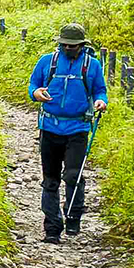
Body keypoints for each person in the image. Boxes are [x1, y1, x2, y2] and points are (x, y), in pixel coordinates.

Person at [27, 22, 107, 243]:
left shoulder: (92, 66)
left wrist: (101, 101)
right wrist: (36, 93)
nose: (69, 49)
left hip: (78, 128)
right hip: (49, 128)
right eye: (65, 45)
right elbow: (33, 84)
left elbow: (100, 90)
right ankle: (52, 229)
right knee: (50, 180)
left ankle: (73, 216)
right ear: (59, 44)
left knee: (73, 175)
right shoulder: (47, 62)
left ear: (82, 45)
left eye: (73, 46)